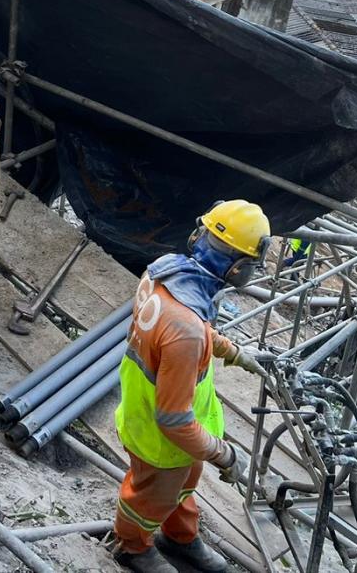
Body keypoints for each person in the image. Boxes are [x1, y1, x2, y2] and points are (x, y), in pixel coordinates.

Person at [110, 200, 271, 573]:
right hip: (161, 435)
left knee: (183, 484)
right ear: (238, 268)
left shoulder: (165, 273)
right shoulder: (185, 332)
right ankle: (131, 546)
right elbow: (174, 420)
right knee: (150, 494)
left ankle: (179, 538)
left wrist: (232, 351)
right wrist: (224, 454)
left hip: (160, 415)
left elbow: (190, 323)